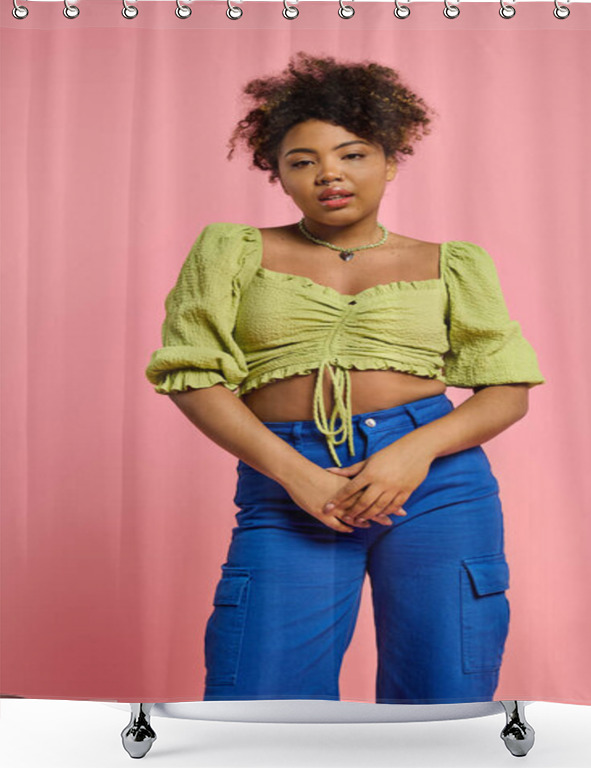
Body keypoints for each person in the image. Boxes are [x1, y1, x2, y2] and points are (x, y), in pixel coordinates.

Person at [144, 52, 546, 704]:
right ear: (277, 174)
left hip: (437, 484)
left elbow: (507, 390)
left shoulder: (452, 263)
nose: (328, 173)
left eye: (352, 155)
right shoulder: (232, 250)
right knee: (259, 698)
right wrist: (294, 473)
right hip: (286, 476)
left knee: (443, 691)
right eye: (302, 161)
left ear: (390, 161)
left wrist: (412, 453)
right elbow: (192, 376)